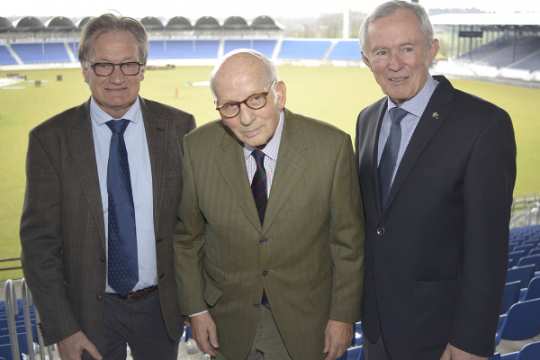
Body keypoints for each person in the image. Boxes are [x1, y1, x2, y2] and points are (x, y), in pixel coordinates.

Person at [20, 14, 195, 360]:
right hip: (87, 315)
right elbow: (39, 243)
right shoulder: (49, 139)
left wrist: (197, 304)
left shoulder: (179, 127)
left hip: (162, 309)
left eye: (129, 64)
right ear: (84, 68)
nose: (117, 77)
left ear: (143, 68)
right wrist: (64, 329)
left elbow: (194, 225)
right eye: (103, 65)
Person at [174, 49, 364, 360]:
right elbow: (187, 240)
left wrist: (342, 316)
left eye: (255, 100)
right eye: (230, 107)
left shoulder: (332, 147)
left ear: (279, 93)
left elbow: (348, 244)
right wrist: (196, 310)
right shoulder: (196, 148)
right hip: (228, 324)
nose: (245, 118)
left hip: (307, 324)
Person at [355, 2, 516, 360]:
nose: (394, 64)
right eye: (381, 52)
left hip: (441, 338)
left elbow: (488, 248)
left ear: (432, 49)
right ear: (367, 60)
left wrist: (470, 342)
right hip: (378, 333)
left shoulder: (484, 125)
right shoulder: (367, 120)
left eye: (407, 48)